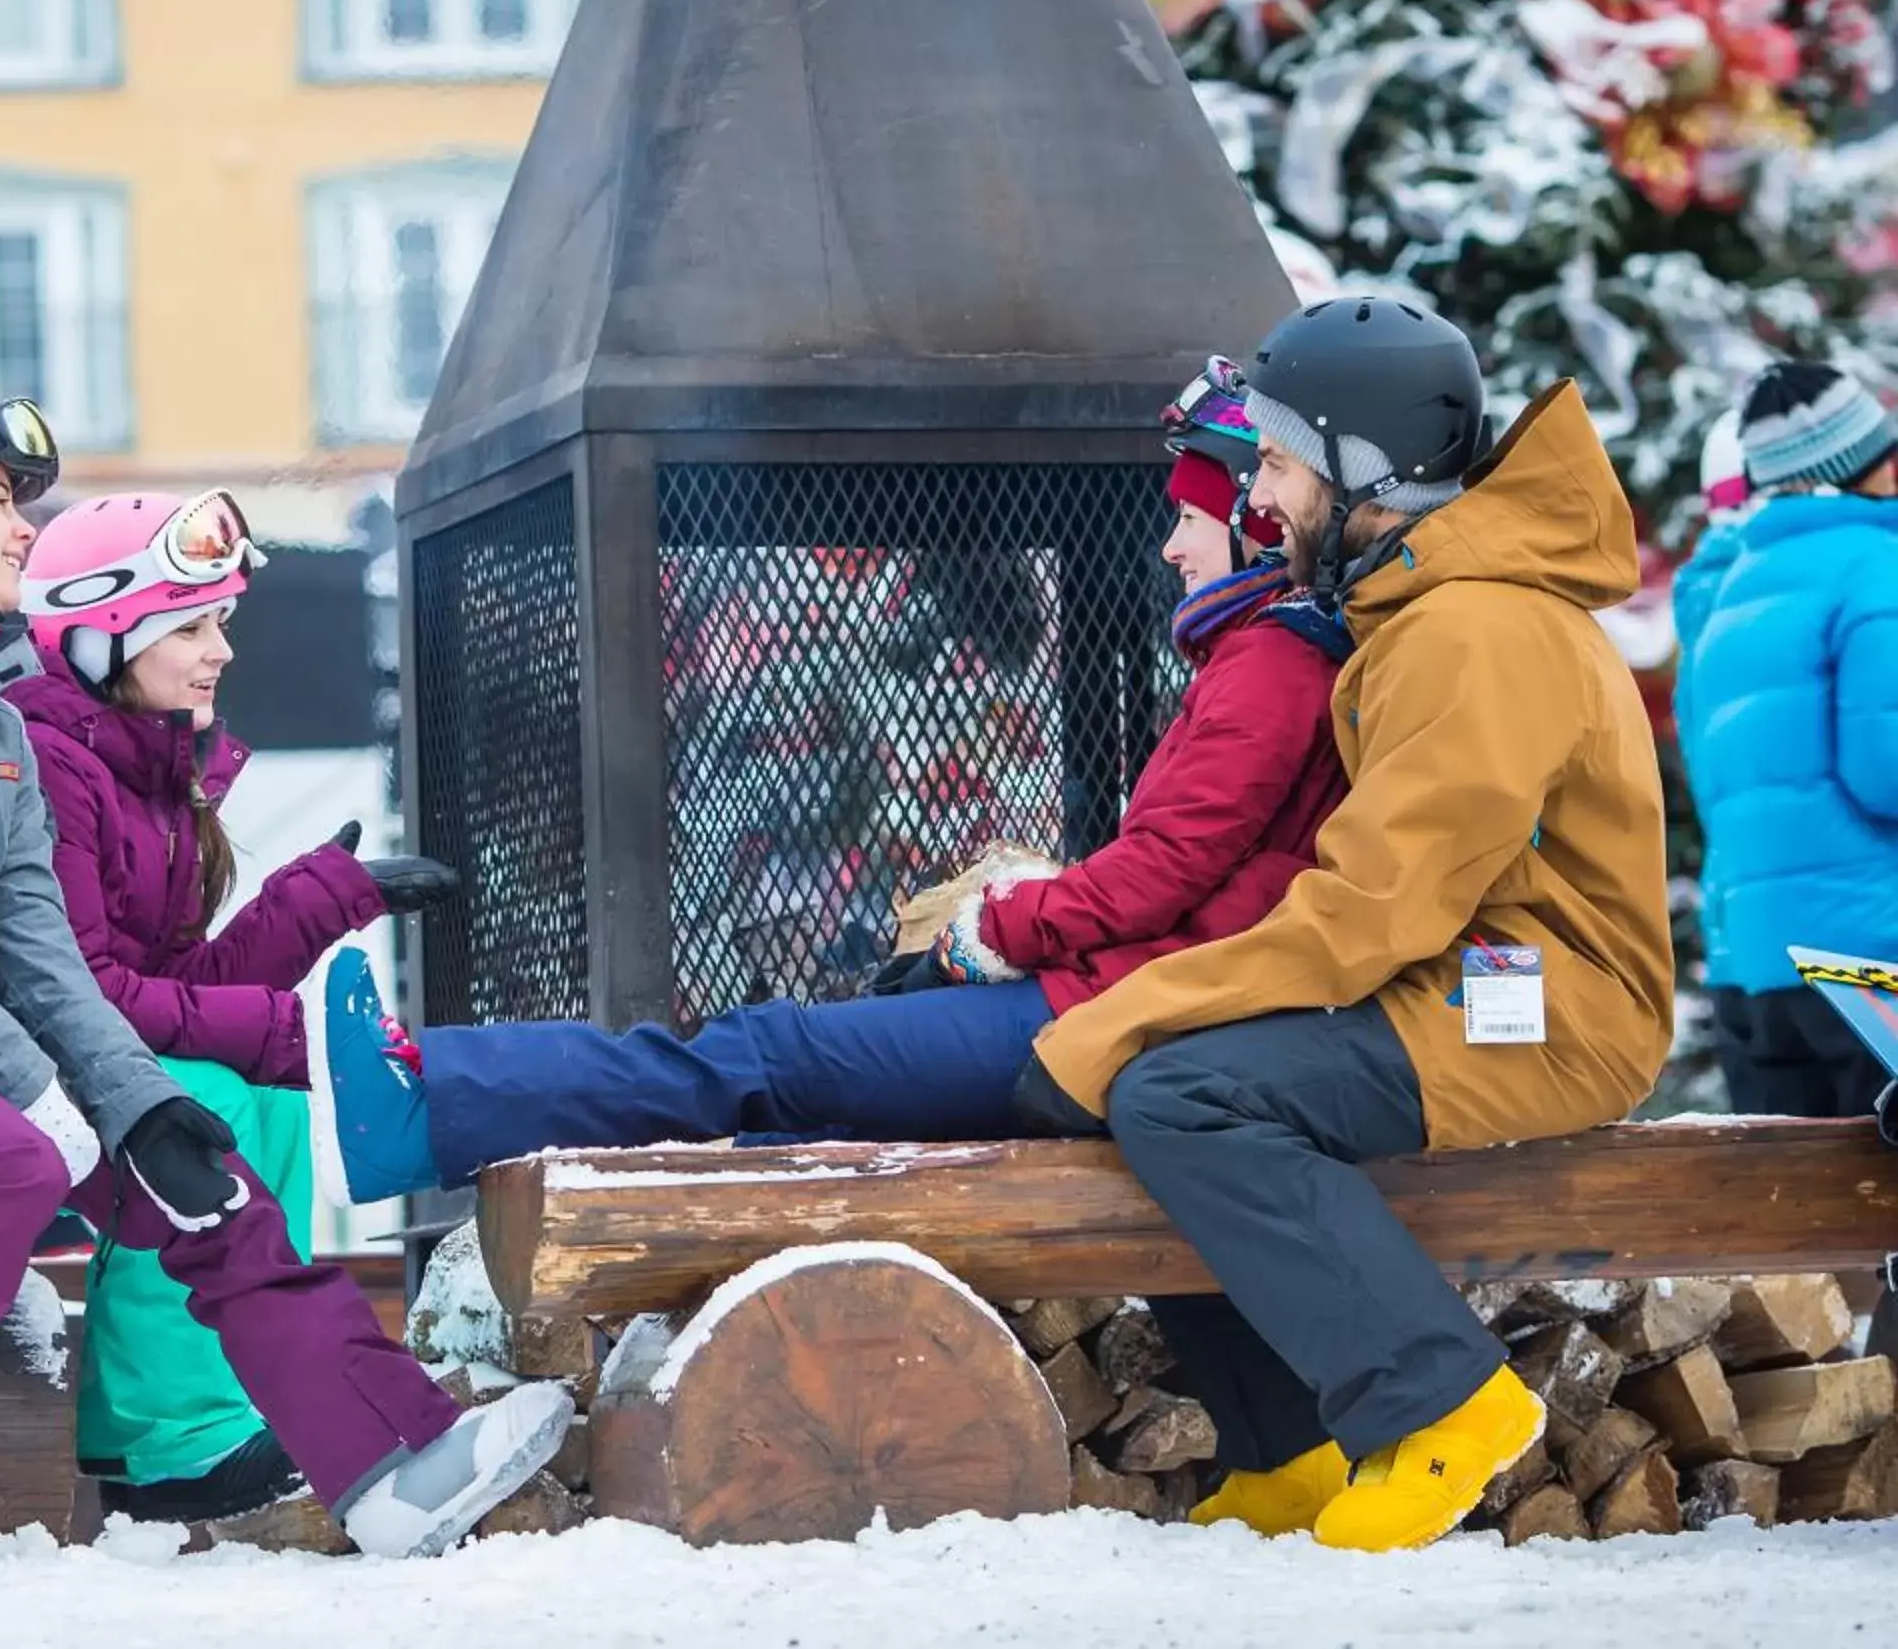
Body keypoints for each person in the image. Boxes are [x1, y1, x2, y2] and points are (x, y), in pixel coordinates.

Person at [0, 395, 566, 1596]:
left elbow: (39, 946)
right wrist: (22, 1078)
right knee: (12, 1159)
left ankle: (391, 1466)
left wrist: (135, 1102)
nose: (25, 529)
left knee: (201, 1181)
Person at [308, 358, 1352, 1206]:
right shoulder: (1270, 656)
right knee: (788, 1077)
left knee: (767, 1051)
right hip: (1115, 1007)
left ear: (1261, 528)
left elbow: (1165, 872)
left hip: (1106, 1019)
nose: (1171, 542)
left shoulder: (1271, 662)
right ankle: (444, 1107)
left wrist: (997, 925)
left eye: (1195, 515)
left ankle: (430, 1099)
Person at [1019, 297, 1671, 1553]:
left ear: (1357, 463)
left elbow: (1372, 908)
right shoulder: (1428, 608)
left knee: (1180, 1093)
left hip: (1547, 1004)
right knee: (1156, 1081)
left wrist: (1122, 1012)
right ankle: (1290, 1453)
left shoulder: (1477, 630)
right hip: (1469, 977)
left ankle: (1444, 1404)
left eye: (1273, 461)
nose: (1259, 499)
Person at [7, 488, 462, 1523]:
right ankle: (171, 1442)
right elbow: (82, 990)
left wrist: (331, 894)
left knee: (266, 1097)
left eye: (220, 622)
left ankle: (251, 1400)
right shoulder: (51, 765)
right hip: (16, 1062)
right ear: (102, 633)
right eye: (191, 625)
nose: (220, 650)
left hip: (91, 1047)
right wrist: (259, 1030)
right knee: (204, 1100)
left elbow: (182, 983)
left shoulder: (151, 771)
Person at [1674, 363, 1898, 1118]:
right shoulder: (1877, 570)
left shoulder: (1727, 594)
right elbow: (1886, 770)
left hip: (1764, 970)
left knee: (1819, 1229)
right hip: (1875, 967)